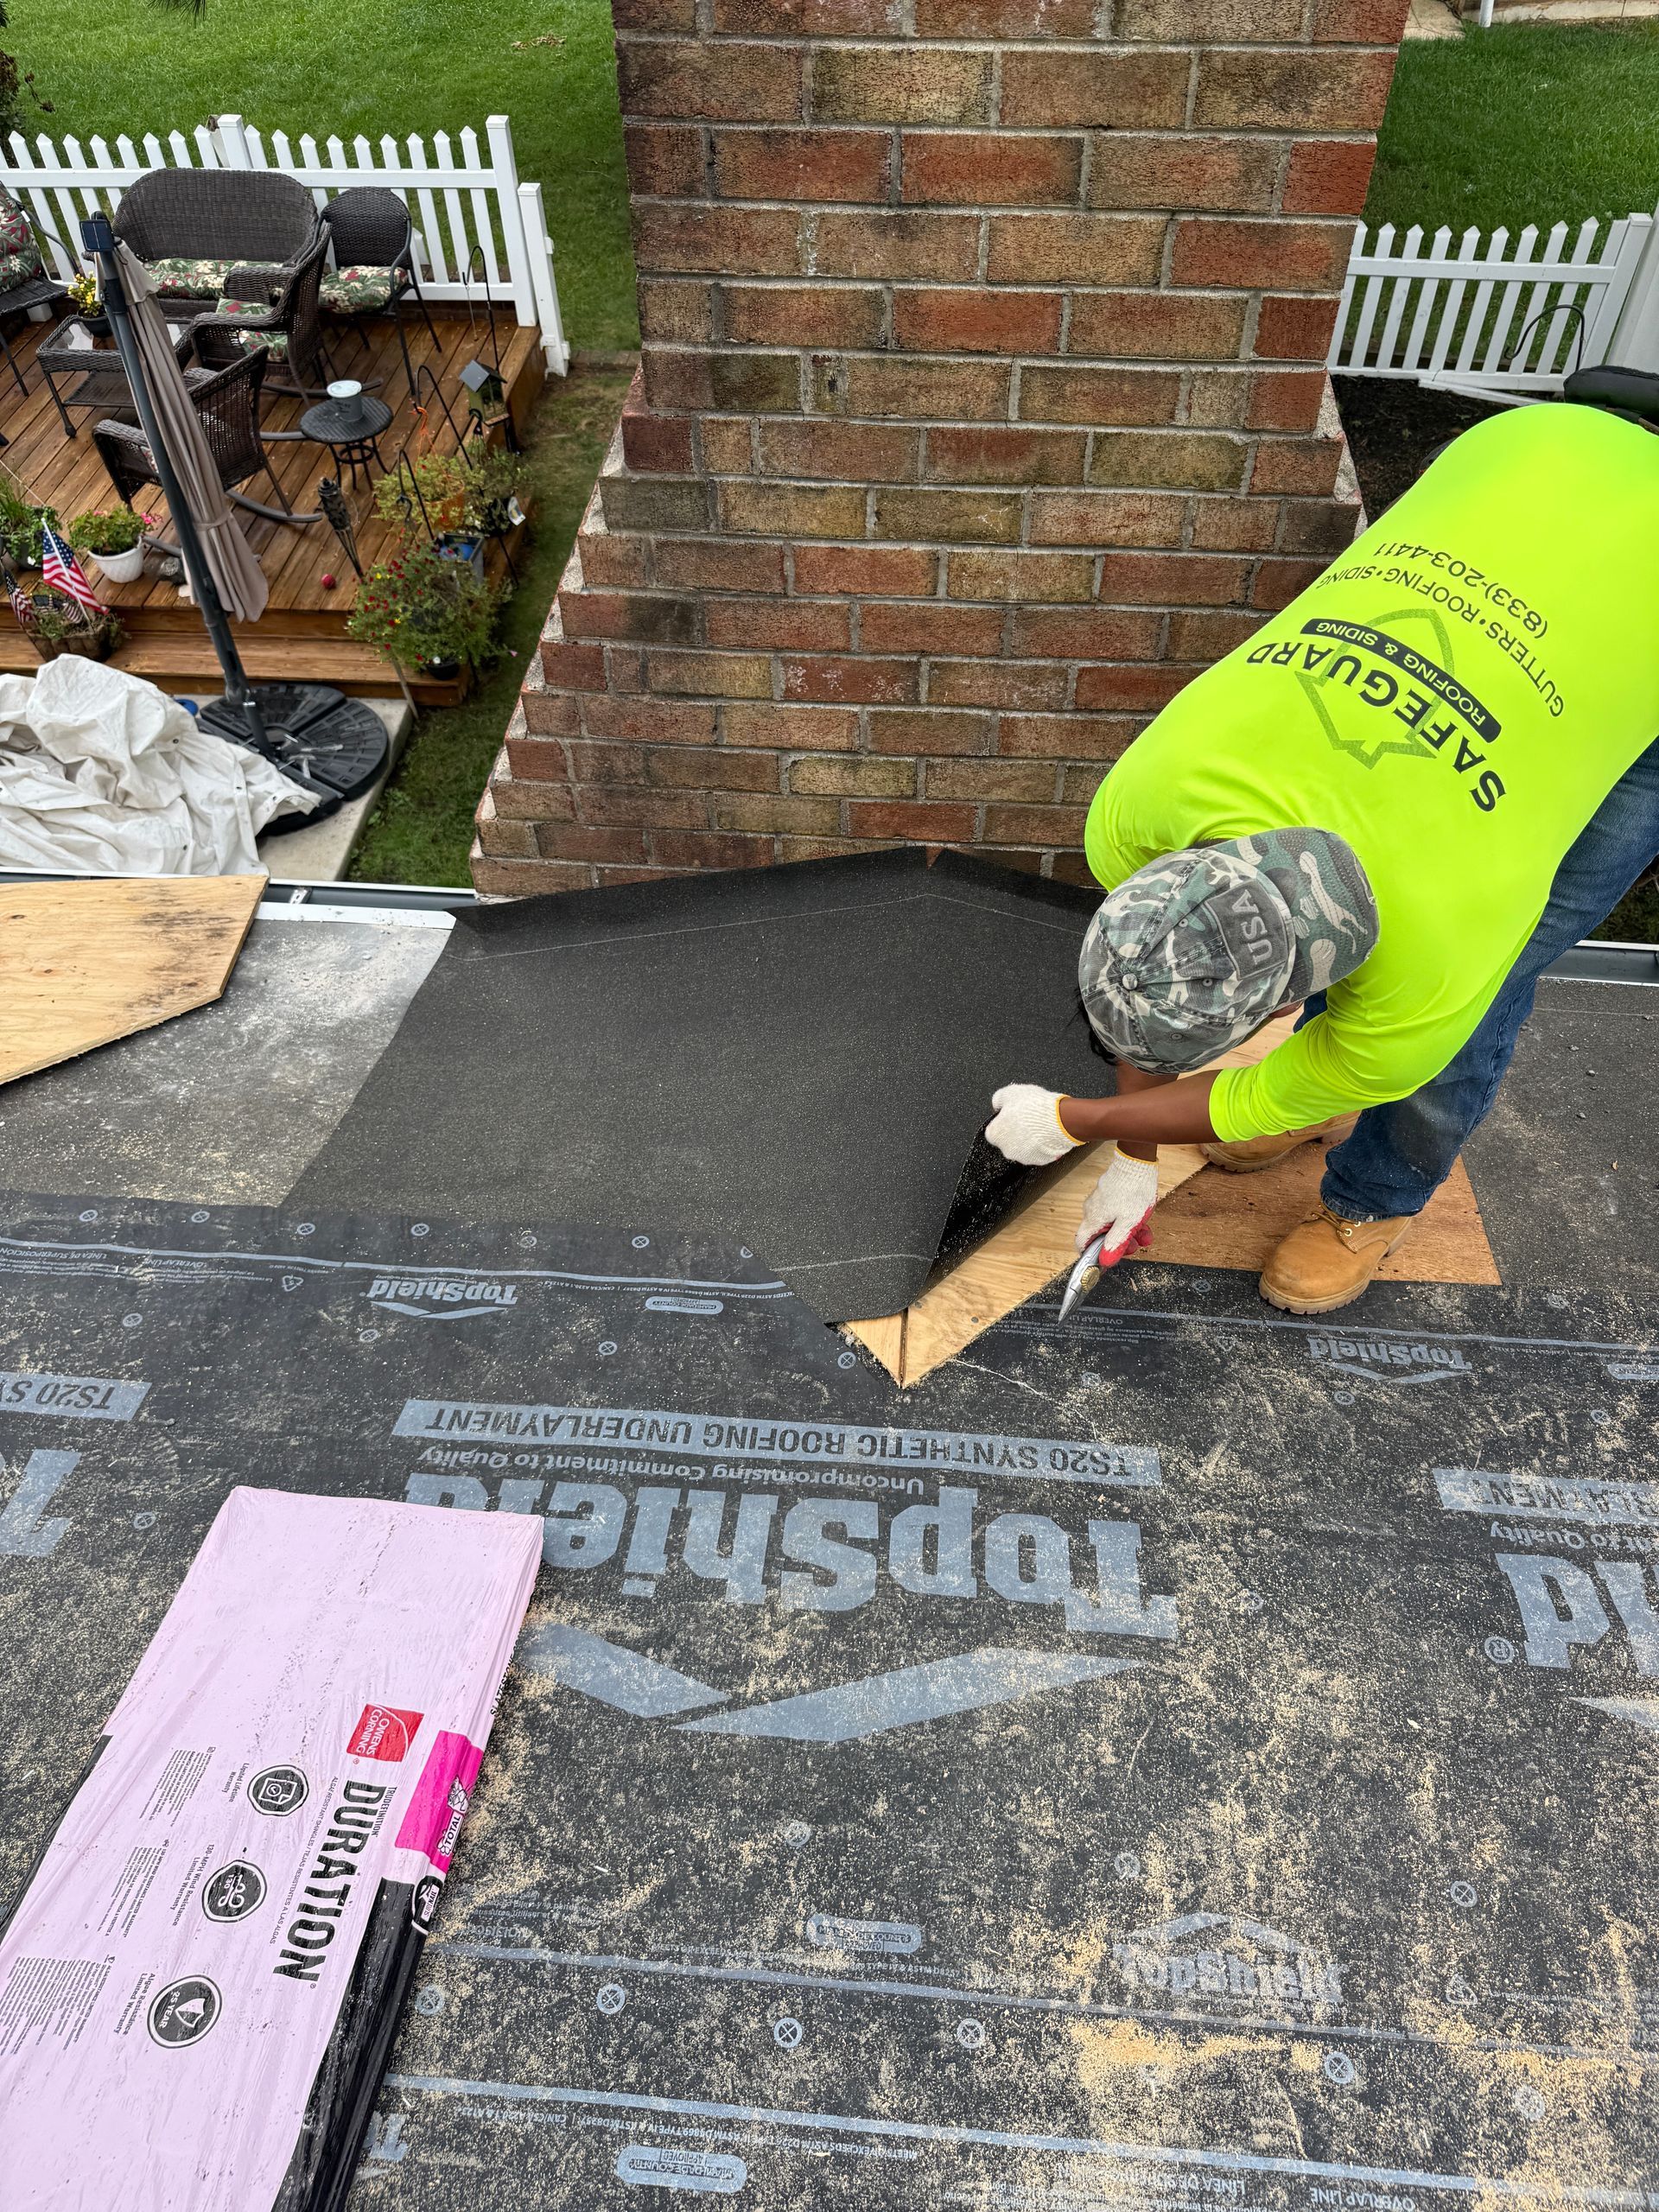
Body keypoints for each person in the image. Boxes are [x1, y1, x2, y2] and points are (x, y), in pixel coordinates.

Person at [985, 397, 1659, 1314]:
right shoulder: (1145, 806)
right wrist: (1130, 1154)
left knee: (1494, 983)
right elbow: (1147, 984)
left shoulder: (1438, 947)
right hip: (1529, 456)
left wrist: (1076, 1122)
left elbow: (1387, 1023)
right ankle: (1312, 1094)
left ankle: (1374, 1201)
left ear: (1284, 997)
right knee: (1334, 1051)